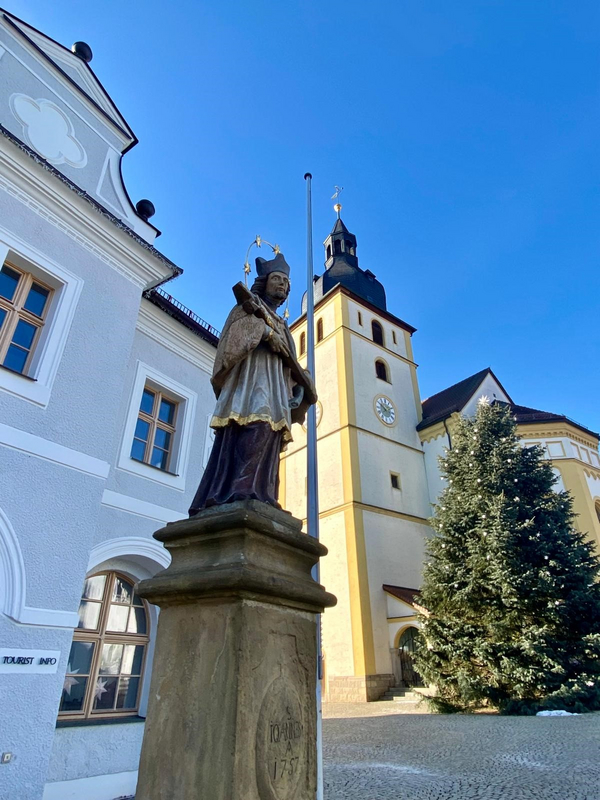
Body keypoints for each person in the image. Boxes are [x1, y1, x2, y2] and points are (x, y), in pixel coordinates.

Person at [189, 252, 314, 514]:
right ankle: (239, 489)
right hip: (250, 384)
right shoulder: (247, 308)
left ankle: (263, 493)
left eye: (286, 283)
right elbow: (232, 340)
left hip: (276, 388)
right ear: (264, 282)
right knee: (254, 426)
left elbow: (289, 362)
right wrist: (265, 333)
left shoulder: (282, 323)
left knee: (270, 434)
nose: (282, 285)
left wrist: (297, 385)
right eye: (277, 279)